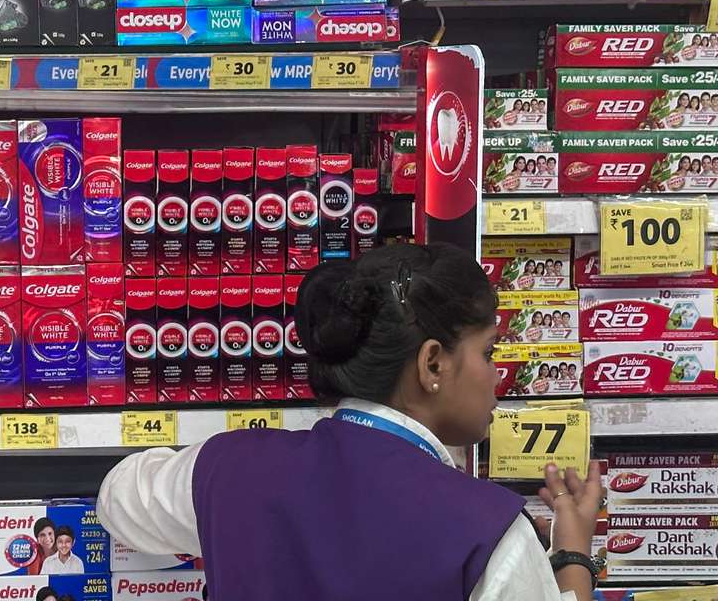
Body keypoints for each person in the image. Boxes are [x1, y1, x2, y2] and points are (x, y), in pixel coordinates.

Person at [98, 243, 602, 601]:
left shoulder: (229, 467)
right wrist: (572, 553)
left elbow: (117, 497)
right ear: (432, 364)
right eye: (489, 353)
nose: (498, 375)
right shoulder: (486, 531)